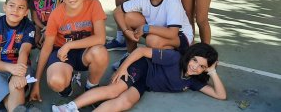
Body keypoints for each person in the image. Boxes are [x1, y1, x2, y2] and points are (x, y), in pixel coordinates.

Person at [52, 43, 226, 112]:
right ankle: (68, 107)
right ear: (190, 56)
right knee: (115, 90)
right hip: (142, 67)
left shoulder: (193, 81)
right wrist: (123, 67)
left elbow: (221, 95)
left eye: (202, 66)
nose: (195, 66)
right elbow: (142, 50)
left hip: (146, 83)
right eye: (195, 60)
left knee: (126, 102)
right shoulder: (174, 58)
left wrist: (212, 71)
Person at [29, 0, 109, 101]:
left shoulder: (94, 5)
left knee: (100, 52)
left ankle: (91, 85)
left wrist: (70, 45)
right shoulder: (56, 14)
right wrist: (36, 83)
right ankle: (66, 85)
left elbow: (101, 38)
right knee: (56, 81)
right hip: (61, 54)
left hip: (85, 52)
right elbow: (46, 48)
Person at [111, 0, 193, 69]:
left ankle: (176, 59)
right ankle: (130, 55)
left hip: (180, 36)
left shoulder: (172, 1)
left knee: (152, 40)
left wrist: (146, 28)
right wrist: (126, 31)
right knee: (128, 17)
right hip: (157, 29)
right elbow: (117, 11)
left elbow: (172, 33)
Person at [0, 0, 35, 111]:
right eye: (11, 6)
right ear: (5, 7)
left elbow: (24, 51)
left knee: (17, 85)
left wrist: (18, 73)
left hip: (21, 66)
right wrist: (11, 68)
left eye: (20, 7)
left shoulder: (29, 26)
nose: (15, 10)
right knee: (4, 93)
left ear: (26, 12)